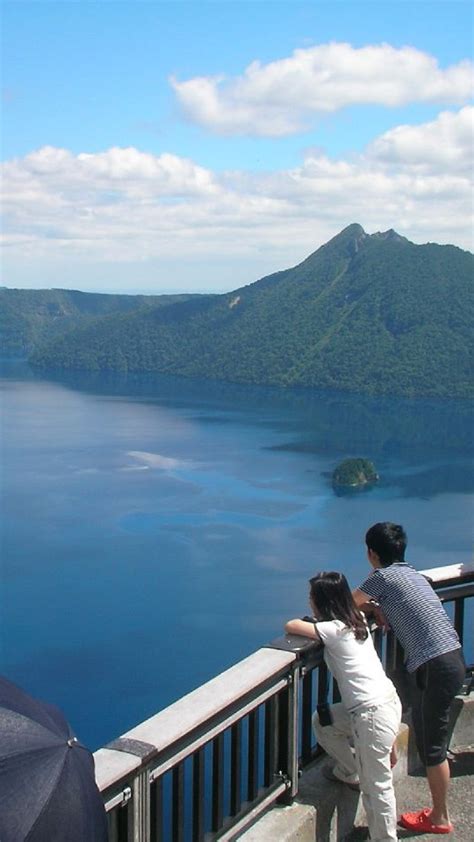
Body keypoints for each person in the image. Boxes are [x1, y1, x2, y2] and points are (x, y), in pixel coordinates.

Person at [353, 522, 465, 835]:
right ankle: (437, 812)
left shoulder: (383, 577)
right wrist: (378, 606)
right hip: (452, 657)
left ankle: (440, 817)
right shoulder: (413, 574)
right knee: (430, 736)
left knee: (432, 746)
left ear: (372, 554)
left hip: (435, 666)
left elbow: (347, 603)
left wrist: (372, 605)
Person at [286, 571, 401, 842]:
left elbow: (291, 625)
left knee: (377, 788)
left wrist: (313, 622)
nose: (308, 600)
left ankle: (385, 839)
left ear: (322, 602)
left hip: (371, 714)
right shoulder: (357, 619)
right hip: (386, 703)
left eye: (312, 596)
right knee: (323, 722)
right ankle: (351, 771)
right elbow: (356, 605)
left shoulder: (332, 630)